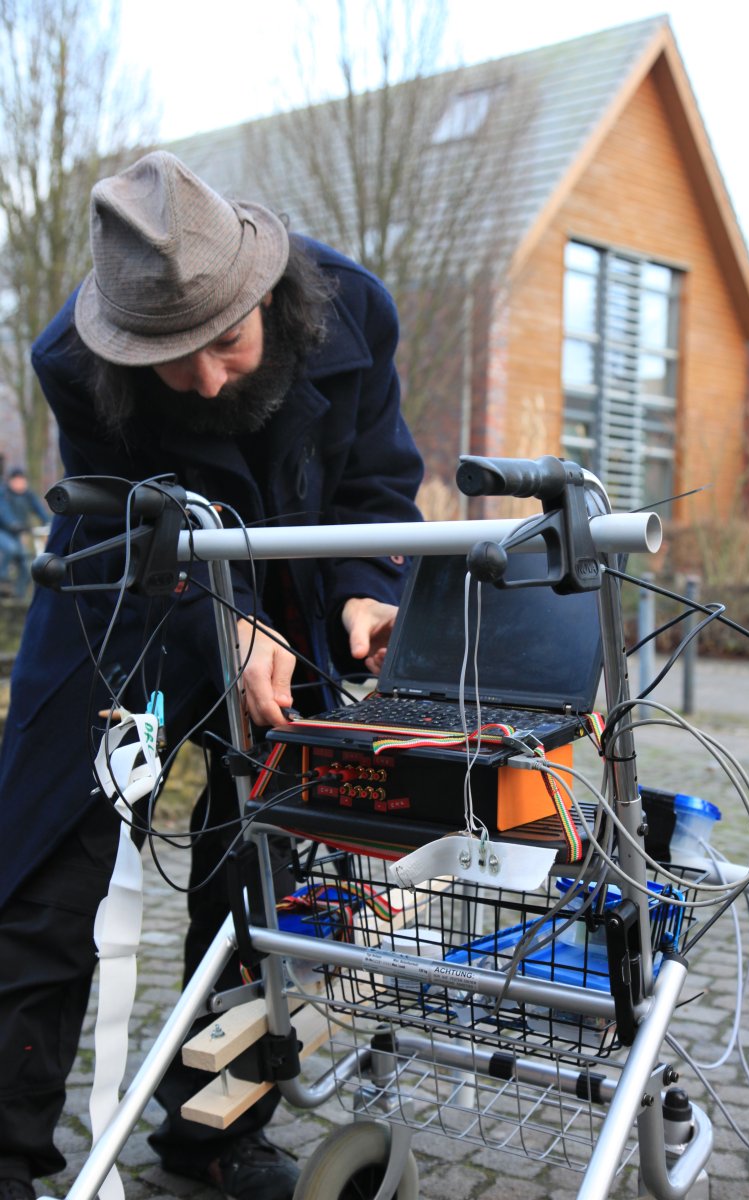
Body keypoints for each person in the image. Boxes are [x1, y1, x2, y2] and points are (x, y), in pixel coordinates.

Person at [0, 152, 424, 1200]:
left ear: (267, 294)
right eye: (168, 360)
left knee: (262, 880)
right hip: (126, 605)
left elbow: (375, 485)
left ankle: (212, 1134)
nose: (203, 381)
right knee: (50, 874)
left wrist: (366, 592)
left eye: (225, 343)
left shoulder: (355, 310)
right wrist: (217, 619)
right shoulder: (70, 358)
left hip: (291, 610)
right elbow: (122, 516)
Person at [0, 468, 50, 598]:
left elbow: (39, 509)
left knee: (26, 565)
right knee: (11, 549)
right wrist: (14, 524)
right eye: (17, 481)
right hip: (3, 531)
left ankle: (18, 597)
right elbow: (4, 512)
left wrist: (49, 523)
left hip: (17, 534)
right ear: (10, 482)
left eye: (22, 481)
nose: (20, 484)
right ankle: (3, 580)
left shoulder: (28, 495)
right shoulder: (3, 494)